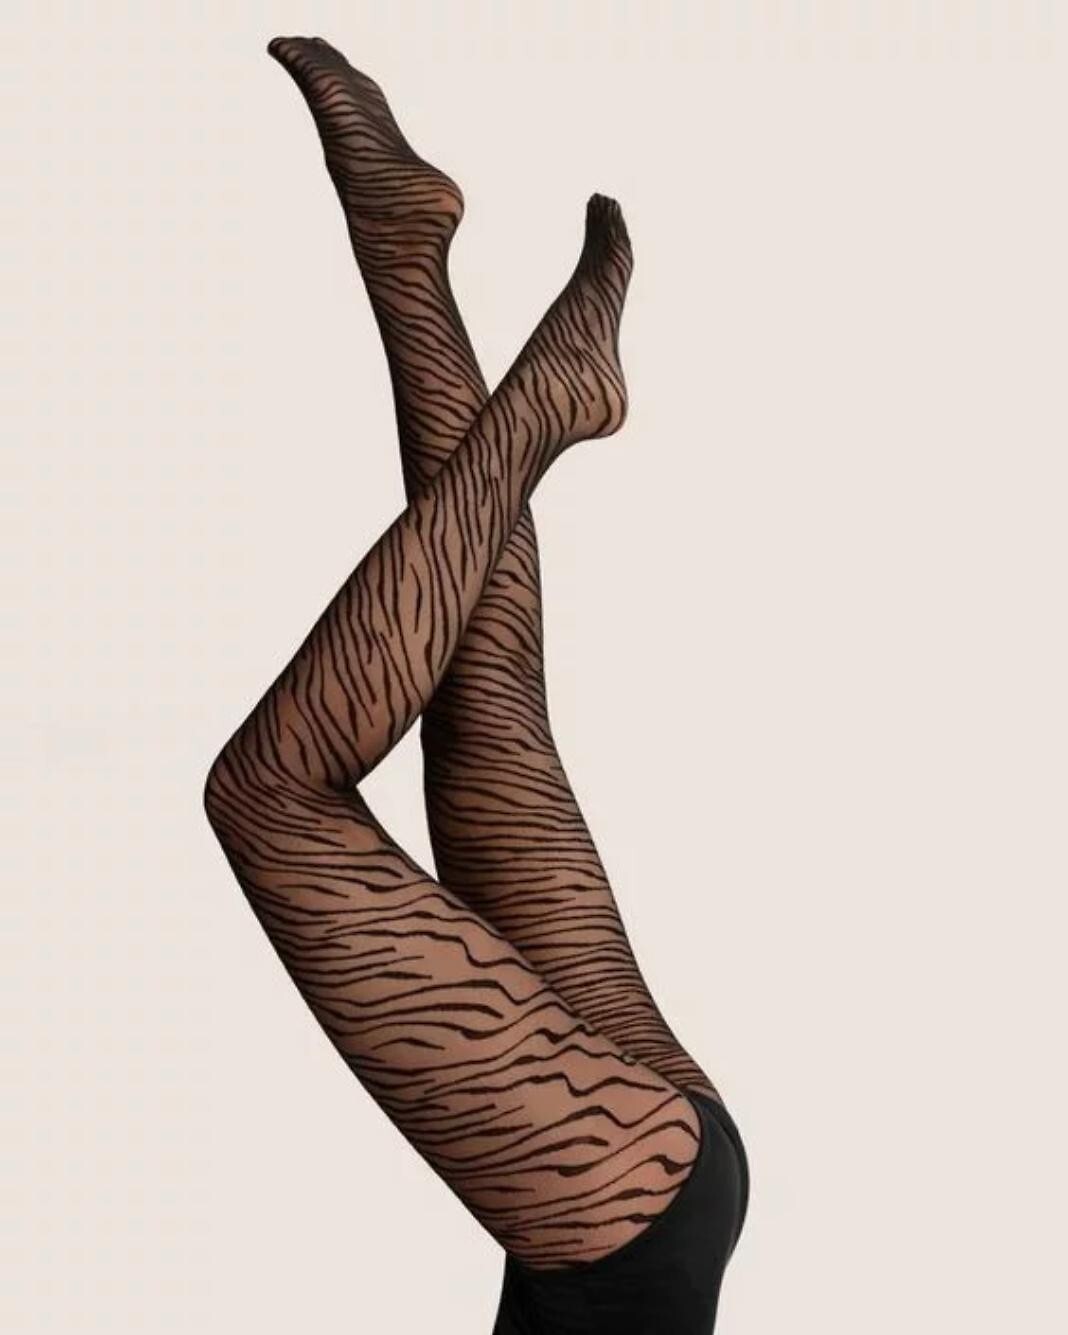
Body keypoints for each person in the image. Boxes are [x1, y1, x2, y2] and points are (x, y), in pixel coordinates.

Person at [203, 34, 748, 1333]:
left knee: (482, 705)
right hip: (614, 1206)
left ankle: (407, 250)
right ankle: (546, 403)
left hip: (649, 1179)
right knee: (274, 798)